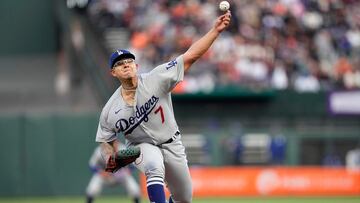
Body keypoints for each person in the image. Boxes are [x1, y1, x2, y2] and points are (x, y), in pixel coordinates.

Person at [95, 10, 231, 203]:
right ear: (113, 72)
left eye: (129, 61)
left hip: (172, 143)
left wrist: (215, 31)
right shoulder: (109, 110)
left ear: (136, 65)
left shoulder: (156, 78)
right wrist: (112, 159)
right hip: (141, 148)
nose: (125, 65)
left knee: (184, 198)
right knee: (153, 165)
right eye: (119, 64)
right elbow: (106, 142)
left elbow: (190, 56)